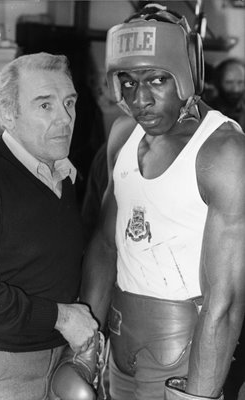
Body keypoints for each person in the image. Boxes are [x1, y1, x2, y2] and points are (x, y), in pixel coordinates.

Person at [80, 3, 245, 400]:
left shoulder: (222, 153)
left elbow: (226, 300)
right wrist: (84, 350)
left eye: (156, 80)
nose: (141, 100)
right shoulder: (122, 135)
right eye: (129, 82)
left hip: (185, 355)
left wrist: (197, 395)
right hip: (120, 347)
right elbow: (105, 246)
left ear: (187, 74)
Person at [0, 52, 98, 400]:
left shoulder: (64, 175)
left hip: (60, 361)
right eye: (45, 105)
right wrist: (61, 318)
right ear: (8, 114)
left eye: (69, 102)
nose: (64, 118)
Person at [209, 57, 245, 131]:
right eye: (229, 82)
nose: (236, 89)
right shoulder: (208, 112)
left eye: (240, 82)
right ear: (219, 83)